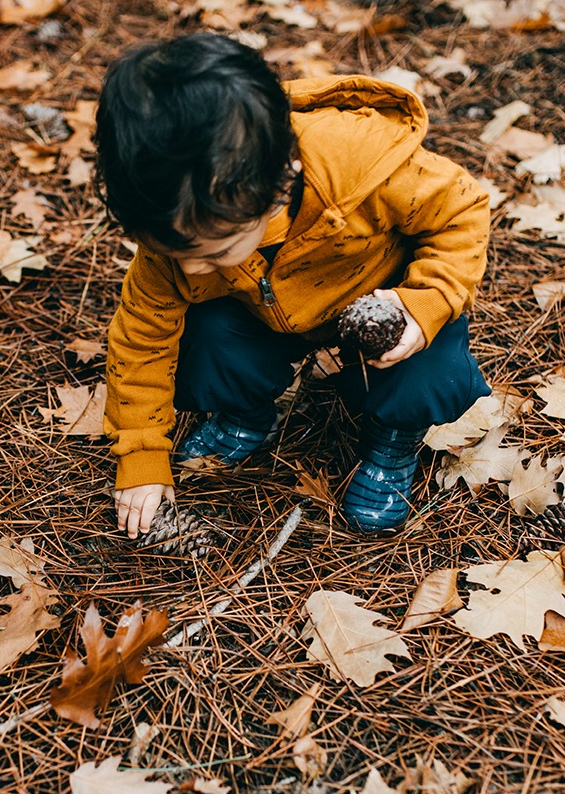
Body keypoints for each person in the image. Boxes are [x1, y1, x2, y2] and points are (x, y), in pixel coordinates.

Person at [93, 32, 491, 536]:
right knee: (203, 336)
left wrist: (427, 300)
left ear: (280, 183)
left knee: (431, 369)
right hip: (265, 314)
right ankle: (246, 413)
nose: (190, 271)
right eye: (173, 254)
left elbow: (463, 210)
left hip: (380, 300)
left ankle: (393, 437)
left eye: (213, 253)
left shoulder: (361, 163)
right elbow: (140, 342)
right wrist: (142, 455)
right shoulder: (178, 229)